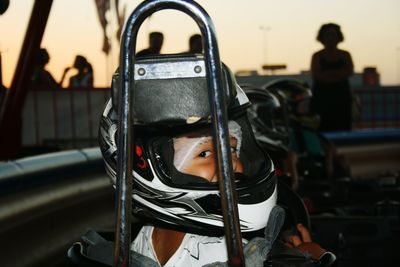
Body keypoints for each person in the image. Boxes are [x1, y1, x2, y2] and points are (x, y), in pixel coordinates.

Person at [95, 55, 335, 266]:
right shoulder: (227, 251)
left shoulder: (140, 241)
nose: (230, 164)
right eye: (205, 153)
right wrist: (306, 258)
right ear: (144, 165)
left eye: (231, 149)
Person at [311, 23, 354, 132]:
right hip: (322, 98)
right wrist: (338, 74)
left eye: (333, 35)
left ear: (338, 37)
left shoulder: (345, 55)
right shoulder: (317, 56)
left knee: (343, 125)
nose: (330, 38)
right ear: (322, 38)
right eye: (327, 35)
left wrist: (328, 74)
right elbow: (317, 75)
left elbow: (349, 71)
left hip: (342, 98)